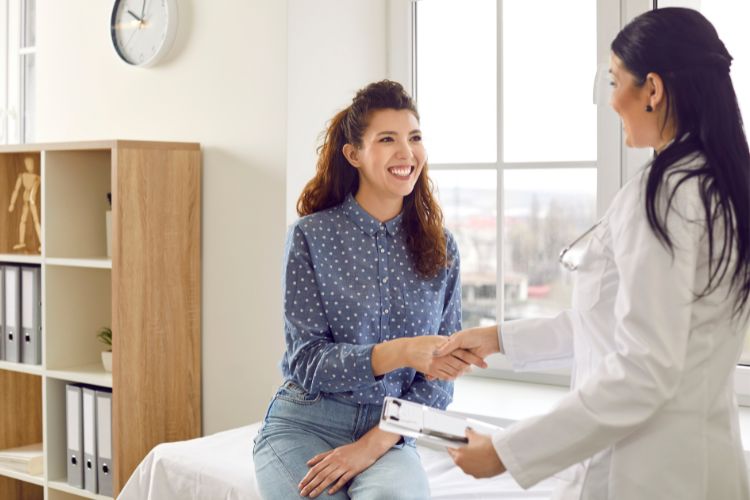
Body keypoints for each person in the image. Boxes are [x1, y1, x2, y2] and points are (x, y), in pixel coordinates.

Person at [436, 7, 750, 499]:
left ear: (653, 90)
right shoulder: (723, 185)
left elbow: (643, 368)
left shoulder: (663, 194)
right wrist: (498, 338)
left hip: (645, 472)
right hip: (707, 460)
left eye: (614, 82)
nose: (610, 101)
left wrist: (506, 451)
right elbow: (609, 323)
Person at [253, 80, 480, 499]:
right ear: (354, 154)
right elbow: (305, 360)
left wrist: (370, 446)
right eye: (387, 139)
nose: (406, 153)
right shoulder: (311, 236)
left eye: (414, 138)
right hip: (305, 421)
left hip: (391, 434)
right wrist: (403, 351)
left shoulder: (441, 246)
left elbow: (439, 383)